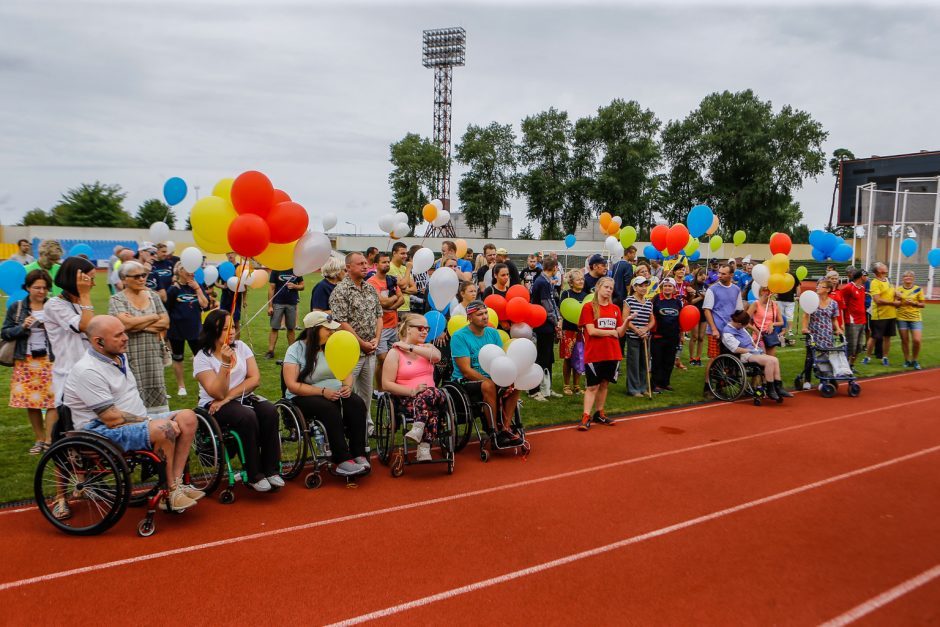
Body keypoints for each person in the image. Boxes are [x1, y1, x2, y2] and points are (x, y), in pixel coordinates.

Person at [64, 315, 204, 512]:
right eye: (118, 335)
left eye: (125, 332)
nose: (126, 338)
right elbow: (111, 419)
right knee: (164, 428)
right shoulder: (87, 370)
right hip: (99, 431)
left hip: (134, 421)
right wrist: (151, 421)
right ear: (98, 342)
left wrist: (149, 421)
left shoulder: (118, 356)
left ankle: (178, 483)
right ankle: (170, 491)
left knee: (188, 417)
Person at [194, 309, 282, 492]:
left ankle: (271, 469)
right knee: (246, 416)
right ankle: (253, 474)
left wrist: (228, 398)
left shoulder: (241, 347)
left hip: (238, 397)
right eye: (226, 328)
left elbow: (254, 379)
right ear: (213, 331)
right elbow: (216, 393)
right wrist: (225, 364)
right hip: (213, 405)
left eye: (233, 326)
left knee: (269, 411)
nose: (232, 331)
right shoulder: (202, 358)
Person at [282, 311, 369, 475]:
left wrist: (347, 387)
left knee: (357, 403)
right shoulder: (296, 349)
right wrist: (322, 391)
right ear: (314, 330)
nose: (332, 332)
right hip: (304, 396)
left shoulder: (333, 346)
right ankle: (342, 458)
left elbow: (347, 373)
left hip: (334, 392)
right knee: (328, 408)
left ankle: (359, 453)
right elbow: (292, 385)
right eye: (327, 329)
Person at [450, 300, 522, 447]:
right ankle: (493, 430)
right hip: (464, 381)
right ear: (469, 318)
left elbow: (500, 360)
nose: (484, 317)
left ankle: (505, 428)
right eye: (479, 314)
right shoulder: (459, 337)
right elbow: (466, 370)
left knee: (517, 381)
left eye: (485, 313)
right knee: (488, 385)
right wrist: (491, 381)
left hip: (490, 376)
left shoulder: (493, 333)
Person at [2, 269, 57, 454]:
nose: (41, 291)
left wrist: (50, 326)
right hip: (25, 360)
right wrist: (22, 327)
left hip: (50, 359)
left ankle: (49, 440)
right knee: (31, 402)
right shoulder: (17, 307)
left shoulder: (54, 306)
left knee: (53, 401)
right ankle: (39, 439)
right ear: (27, 287)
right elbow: (5, 332)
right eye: (37, 287)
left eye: (45, 288)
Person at [381, 313, 448, 462]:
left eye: (427, 328)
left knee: (432, 392)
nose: (425, 331)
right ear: (408, 329)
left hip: (435, 396)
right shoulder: (394, 353)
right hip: (408, 399)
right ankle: (424, 447)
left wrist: (410, 347)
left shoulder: (427, 348)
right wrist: (412, 391)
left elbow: (437, 357)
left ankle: (418, 428)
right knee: (431, 409)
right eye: (421, 328)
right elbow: (386, 384)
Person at [329, 252, 382, 433]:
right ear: (348, 267)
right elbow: (342, 322)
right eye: (360, 264)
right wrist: (361, 343)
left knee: (367, 393)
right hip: (350, 352)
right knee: (347, 392)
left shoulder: (370, 289)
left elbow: (379, 316)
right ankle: (348, 427)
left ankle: (366, 428)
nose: (365, 267)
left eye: (366, 263)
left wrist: (376, 338)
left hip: (370, 350)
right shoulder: (341, 291)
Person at [109, 260, 170, 413]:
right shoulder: (117, 299)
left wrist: (136, 324)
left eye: (143, 275)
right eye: (136, 276)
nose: (142, 279)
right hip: (131, 355)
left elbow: (166, 323)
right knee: (133, 393)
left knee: (157, 393)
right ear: (124, 279)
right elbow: (125, 325)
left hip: (152, 355)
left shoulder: (153, 297)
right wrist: (153, 316)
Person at [578, 277, 630, 430]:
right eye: (606, 287)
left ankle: (599, 413)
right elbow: (591, 331)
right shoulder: (589, 307)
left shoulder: (615, 309)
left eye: (611, 288)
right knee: (592, 386)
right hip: (594, 353)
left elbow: (620, 333)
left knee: (605, 384)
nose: (609, 290)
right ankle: (586, 416)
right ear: (598, 287)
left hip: (612, 353)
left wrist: (626, 322)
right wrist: (612, 332)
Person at [44, 256, 96, 403]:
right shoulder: (54, 305)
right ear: (76, 280)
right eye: (90, 279)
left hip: (87, 370)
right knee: (69, 423)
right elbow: (85, 326)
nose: (94, 284)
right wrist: (85, 295)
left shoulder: (81, 304)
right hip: (68, 375)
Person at [721, 310, 785, 401]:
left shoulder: (740, 328)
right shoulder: (727, 332)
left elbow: (751, 340)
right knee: (769, 361)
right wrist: (751, 350)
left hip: (751, 351)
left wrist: (756, 348)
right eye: (744, 325)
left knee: (775, 359)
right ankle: (770, 389)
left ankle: (778, 387)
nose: (746, 327)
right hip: (742, 354)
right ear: (739, 323)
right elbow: (735, 349)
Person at [165, 262, 209, 396]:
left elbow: (205, 305)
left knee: (200, 357)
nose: (191, 273)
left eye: (192, 270)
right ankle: (181, 386)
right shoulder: (173, 289)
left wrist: (197, 289)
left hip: (195, 330)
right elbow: (167, 310)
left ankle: (202, 382)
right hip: (176, 331)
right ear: (180, 271)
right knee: (178, 358)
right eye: (188, 270)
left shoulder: (197, 286)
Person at [702, 263, 743, 396]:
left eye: (723, 273)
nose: (719, 275)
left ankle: (721, 384)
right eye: (719, 273)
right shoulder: (712, 289)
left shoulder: (736, 290)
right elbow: (707, 310)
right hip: (717, 330)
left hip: (731, 331)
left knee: (729, 359)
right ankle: (707, 385)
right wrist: (713, 328)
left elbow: (739, 311)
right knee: (714, 358)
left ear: (731, 275)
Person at [367, 252, 404, 391]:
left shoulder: (391, 280)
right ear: (376, 265)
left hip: (393, 325)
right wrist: (392, 300)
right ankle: (379, 389)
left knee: (392, 359)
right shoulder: (372, 282)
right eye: (384, 262)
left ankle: (389, 386)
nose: (387, 264)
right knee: (382, 359)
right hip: (380, 327)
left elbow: (401, 299)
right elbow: (381, 302)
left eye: (388, 262)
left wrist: (390, 304)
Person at [800, 278, 844, 390]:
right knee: (810, 357)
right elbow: (806, 316)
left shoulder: (833, 303)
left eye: (821, 286)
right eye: (818, 285)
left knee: (825, 358)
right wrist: (804, 328)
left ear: (828, 289)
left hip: (827, 334)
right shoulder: (812, 301)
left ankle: (823, 380)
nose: (818, 287)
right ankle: (807, 380)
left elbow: (834, 319)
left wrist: (838, 329)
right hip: (813, 333)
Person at [530, 258, 562, 400]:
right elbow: (548, 306)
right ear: (554, 267)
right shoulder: (542, 282)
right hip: (542, 325)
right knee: (541, 358)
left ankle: (546, 388)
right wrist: (557, 321)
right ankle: (534, 390)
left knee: (548, 357)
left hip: (546, 324)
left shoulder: (545, 281)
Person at [649, 278, 683, 393]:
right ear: (662, 287)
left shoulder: (677, 301)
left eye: (670, 286)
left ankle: (665, 383)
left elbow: (682, 319)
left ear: (674, 288)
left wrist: (681, 334)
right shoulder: (656, 299)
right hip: (658, 336)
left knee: (669, 361)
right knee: (657, 360)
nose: (667, 288)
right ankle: (655, 384)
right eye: (665, 286)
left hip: (673, 336)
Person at [624, 276, 654, 398]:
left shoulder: (648, 303)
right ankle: (633, 389)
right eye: (640, 286)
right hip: (633, 336)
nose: (643, 288)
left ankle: (643, 387)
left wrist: (646, 329)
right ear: (634, 287)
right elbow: (625, 319)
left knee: (644, 363)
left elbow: (652, 320)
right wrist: (637, 331)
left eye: (645, 285)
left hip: (645, 337)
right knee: (633, 363)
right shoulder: (629, 300)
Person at [864, 262, 899, 365]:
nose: (886, 266)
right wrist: (893, 303)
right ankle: (868, 357)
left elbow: (893, 293)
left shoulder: (888, 280)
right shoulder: (875, 282)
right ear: (879, 270)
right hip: (880, 315)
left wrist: (898, 296)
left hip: (891, 314)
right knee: (874, 337)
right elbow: (877, 300)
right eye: (883, 266)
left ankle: (885, 357)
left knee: (887, 337)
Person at [265, 267, 304, 359]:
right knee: (274, 327)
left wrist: (295, 286)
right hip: (277, 303)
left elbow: (302, 285)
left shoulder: (296, 270)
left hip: (292, 303)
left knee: (291, 328)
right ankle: (270, 351)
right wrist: (270, 306)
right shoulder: (276, 269)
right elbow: (271, 288)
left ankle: (292, 351)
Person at [560, 269, 588, 395]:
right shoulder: (566, 294)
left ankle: (577, 385)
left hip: (582, 331)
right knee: (568, 358)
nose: (581, 281)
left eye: (582, 279)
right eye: (578, 279)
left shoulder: (586, 296)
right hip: (569, 330)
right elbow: (563, 310)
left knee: (580, 357)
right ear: (571, 283)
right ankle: (566, 385)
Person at [895, 270, 926, 369]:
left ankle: (915, 360)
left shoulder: (918, 289)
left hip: (915, 318)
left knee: (917, 340)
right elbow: (895, 304)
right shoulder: (898, 290)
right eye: (906, 276)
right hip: (901, 318)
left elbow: (923, 304)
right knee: (905, 340)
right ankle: (907, 360)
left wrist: (914, 303)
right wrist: (900, 301)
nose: (908, 278)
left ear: (913, 278)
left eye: (910, 276)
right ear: (903, 278)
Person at [840, 269, 868, 368]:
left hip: (862, 320)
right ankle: (844, 366)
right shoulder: (849, 288)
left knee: (859, 347)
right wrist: (844, 319)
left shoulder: (862, 288)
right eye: (866, 275)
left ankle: (851, 365)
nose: (867, 277)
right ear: (861, 276)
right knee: (851, 346)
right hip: (852, 321)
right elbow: (843, 303)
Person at [746, 285, 783, 356]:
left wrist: (772, 324)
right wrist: (756, 331)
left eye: (769, 290)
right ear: (760, 292)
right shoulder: (755, 304)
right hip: (758, 336)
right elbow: (745, 321)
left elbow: (781, 322)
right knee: (763, 358)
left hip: (770, 336)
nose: (767, 292)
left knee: (772, 358)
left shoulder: (774, 305)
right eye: (764, 290)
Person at [686, 268, 708, 366]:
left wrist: (706, 297)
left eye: (705, 276)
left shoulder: (706, 286)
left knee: (701, 337)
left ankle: (698, 358)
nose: (703, 277)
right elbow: (690, 302)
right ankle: (691, 358)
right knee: (694, 337)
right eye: (701, 275)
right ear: (697, 275)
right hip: (694, 313)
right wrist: (701, 297)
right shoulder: (692, 286)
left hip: (704, 313)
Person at [387, 242, 412, 317]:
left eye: (406, 253)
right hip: (397, 308)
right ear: (394, 253)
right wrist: (409, 268)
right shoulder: (389, 267)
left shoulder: (404, 268)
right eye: (402, 253)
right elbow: (404, 285)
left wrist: (402, 289)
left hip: (406, 307)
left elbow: (414, 289)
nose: (405, 256)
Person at [775, 270, 799, 346]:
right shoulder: (778, 275)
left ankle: (790, 330)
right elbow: (775, 284)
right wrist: (775, 293)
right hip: (780, 299)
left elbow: (798, 285)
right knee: (780, 316)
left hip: (790, 299)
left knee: (789, 315)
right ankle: (781, 331)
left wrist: (798, 295)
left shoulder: (792, 275)